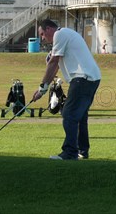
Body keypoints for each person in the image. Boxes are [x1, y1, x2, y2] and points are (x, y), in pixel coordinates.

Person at [32, 19, 101, 160]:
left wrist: (42, 88)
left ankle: (70, 152)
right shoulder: (64, 35)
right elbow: (55, 65)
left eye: (42, 34)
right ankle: (82, 151)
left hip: (83, 78)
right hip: (92, 78)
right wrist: (43, 89)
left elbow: (53, 63)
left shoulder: (60, 34)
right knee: (80, 116)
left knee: (69, 114)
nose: (42, 39)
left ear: (49, 29)